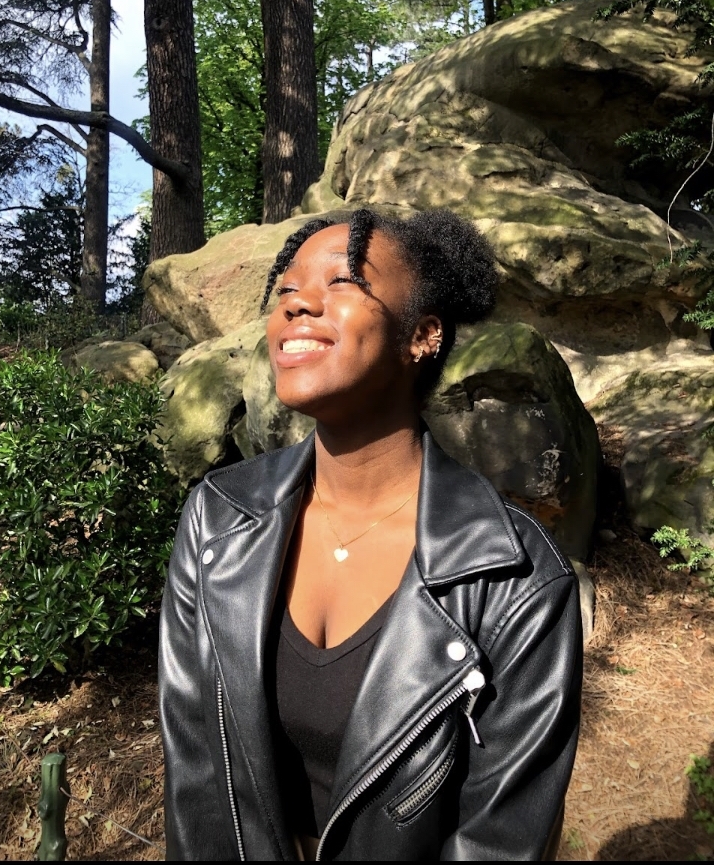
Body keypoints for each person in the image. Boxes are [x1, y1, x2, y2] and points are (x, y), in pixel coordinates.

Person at [158, 207, 582, 862]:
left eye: (341, 282)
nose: (297, 304)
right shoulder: (218, 518)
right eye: (286, 289)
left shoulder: (516, 576)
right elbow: (196, 779)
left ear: (422, 335)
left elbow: (501, 843)